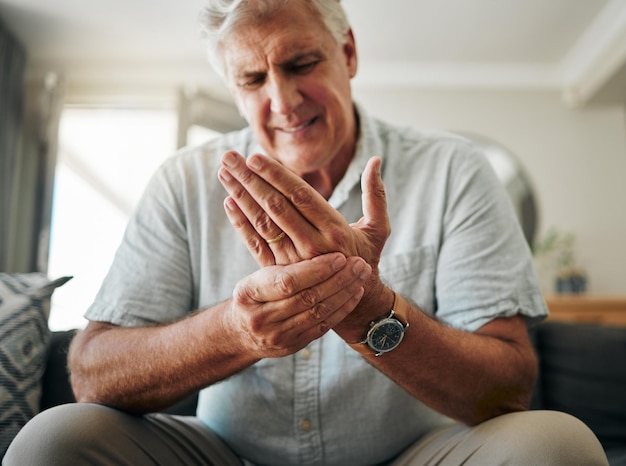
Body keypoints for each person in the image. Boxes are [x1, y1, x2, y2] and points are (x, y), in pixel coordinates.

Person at [4, 0, 609, 465]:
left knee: (558, 445)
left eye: (301, 64)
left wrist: (367, 310)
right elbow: (91, 373)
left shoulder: (453, 170)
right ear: (233, 88)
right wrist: (236, 331)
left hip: (412, 455)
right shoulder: (185, 180)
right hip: (225, 453)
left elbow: (509, 387)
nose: (283, 100)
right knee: (54, 439)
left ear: (347, 52)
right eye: (252, 80)